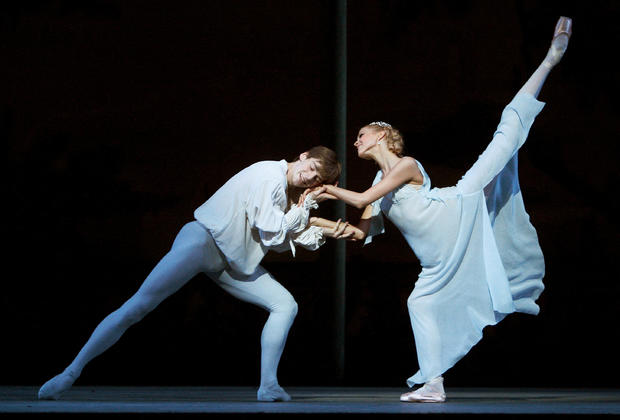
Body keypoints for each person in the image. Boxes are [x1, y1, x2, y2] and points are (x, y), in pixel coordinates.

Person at [309, 17, 572, 402]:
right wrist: (313, 220)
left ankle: (550, 59)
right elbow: (359, 232)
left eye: (361, 135)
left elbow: (364, 200)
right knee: (419, 302)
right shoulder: (374, 188)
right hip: (438, 260)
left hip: (459, 207)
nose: (356, 142)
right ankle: (433, 383)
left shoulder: (406, 165)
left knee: (505, 133)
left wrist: (327, 188)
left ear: (381, 134)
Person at [38, 146, 345, 402]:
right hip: (202, 242)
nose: (309, 177)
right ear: (303, 156)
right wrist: (305, 210)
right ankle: (70, 373)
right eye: (312, 168)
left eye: (315, 179)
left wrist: (309, 214)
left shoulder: (287, 192)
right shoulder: (270, 176)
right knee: (139, 305)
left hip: (231, 260)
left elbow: (277, 240)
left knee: (285, 305)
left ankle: (268, 386)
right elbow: (273, 235)